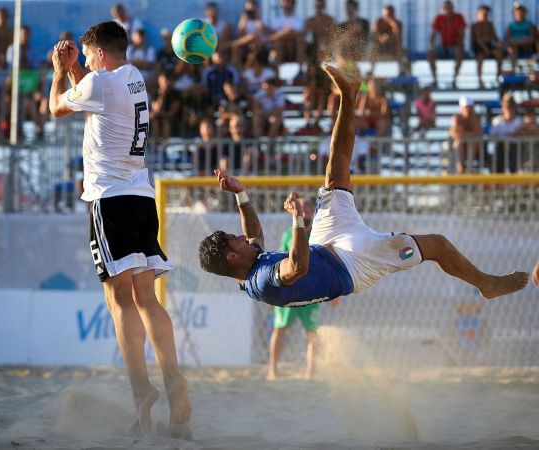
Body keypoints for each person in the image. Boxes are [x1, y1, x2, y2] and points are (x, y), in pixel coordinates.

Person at [198, 65, 528, 310]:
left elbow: (254, 233)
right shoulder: (261, 280)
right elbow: (297, 267)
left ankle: (348, 94)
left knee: (335, 169)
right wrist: (298, 221)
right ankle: (486, 284)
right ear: (231, 255)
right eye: (234, 240)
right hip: (355, 264)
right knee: (437, 245)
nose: (242, 238)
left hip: (324, 243)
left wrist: (241, 195)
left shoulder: (248, 262)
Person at [48, 21, 191, 439]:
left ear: (102, 54)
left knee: (118, 301)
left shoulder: (101, 83)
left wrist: (60, 70)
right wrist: (80, 71)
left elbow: (56, 108)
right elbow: (94, 91)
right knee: (147, 297)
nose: (86, 63)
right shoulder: (133, 79)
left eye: (89, 56)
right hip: (140, 196)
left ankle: (141, 391)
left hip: (108, 200)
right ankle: (172, 376)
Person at [268, 197, 321, 381]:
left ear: (313, 212)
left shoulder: (318, 234)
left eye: (307, 206)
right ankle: (273, 370)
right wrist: (274, 291)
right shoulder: (289, 235)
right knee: (279, 329)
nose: (304, 209)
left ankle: (310, 373)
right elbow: (281, 262)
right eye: (302, 206)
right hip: (289, 292)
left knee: (312, 333)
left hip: (312, 291)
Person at [427, 1, 466, 88]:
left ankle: (454, 79)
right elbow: (433, 33)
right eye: (446, 8)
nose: (448, 10)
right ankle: (435, 80)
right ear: (443, 9)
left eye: (450, 8)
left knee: (459, 53)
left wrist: (459, 46)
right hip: (443, 47)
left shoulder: (459, 17)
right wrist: (431, 46)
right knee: (430, 53)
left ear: (453, 8)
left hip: (455, 46)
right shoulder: (439, 18)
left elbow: (462, 34)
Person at [490, 93, 524, 173]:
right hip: (500, 148)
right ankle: (499, 182)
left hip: (515, 149)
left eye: (510, 106)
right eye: (506, 106)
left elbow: (520, 133)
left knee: (513, 154)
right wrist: (508, 139)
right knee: (498, 155)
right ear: (503, 107)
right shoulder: (497, 121)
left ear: (514, 107)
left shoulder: (519, 121)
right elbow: (493, 136)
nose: (508, 109)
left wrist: (506, 139)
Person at [470, 5, 503, 88]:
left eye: (486, 13)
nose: (485, 15)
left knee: (499, 53)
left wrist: (499, 44)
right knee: (480, 57)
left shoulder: (490, 24)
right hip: (478, 46)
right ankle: (480, 79)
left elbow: (495, 37)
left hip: (488, 45)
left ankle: (499, 74)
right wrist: (486, 49)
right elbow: (478, 39)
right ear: (478, 14)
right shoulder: (476, 25)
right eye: (483, 13)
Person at [449, 96, 483, 173]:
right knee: (459, 143)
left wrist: (464, 134)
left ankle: (469, 169)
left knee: (472, 142)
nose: (468, 110)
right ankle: (460, 168)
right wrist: (470, 134)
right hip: (462, 147)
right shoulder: (457, 118)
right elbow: (456, 134)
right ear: (461, 108)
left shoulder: (476, 118)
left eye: (469, 107)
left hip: (473, 147)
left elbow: (478, 133)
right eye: (466, 107)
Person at [370, 5, 406, 75]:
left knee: (399, 47)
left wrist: (393, 24)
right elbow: (374, 35)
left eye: (390, 14)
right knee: (375, 47)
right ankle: (371, 70)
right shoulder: (379, 22)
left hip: (393, 47)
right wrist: (382, 38)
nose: (388, 16)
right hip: (381, 47)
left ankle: (401, 69)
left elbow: (398, 37)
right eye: (387, 14)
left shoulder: (398, 23)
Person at [504, 3, 537, 73]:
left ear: (525, 14)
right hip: (515, 48)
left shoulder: (529, 25)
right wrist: (509, 46)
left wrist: (519, 41)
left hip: (527, 47)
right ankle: (513, 69)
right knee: (512, 48)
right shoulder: (511, 25)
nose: (520, 15)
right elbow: (507, 39)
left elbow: (532, 39)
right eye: (517, 13)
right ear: (514, 15)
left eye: (521, 13)